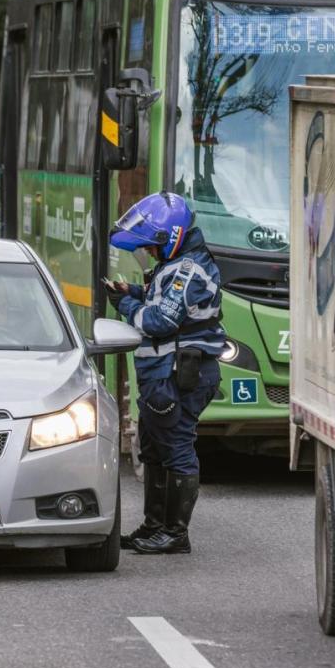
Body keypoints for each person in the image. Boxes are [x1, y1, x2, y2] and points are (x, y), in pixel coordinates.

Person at [105, 192, 225, 555]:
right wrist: (135, 291)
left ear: (171, 237)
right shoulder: (177, 265)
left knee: (176, 448)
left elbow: (159, 320)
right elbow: (161, 299)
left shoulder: (187, 270)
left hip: (179, 374)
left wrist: (126, 304)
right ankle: (154, 526)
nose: (151, 254)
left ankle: (175, 533)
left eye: (153, 248)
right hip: (164, 374)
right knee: (153, 449)